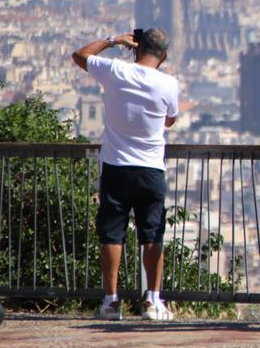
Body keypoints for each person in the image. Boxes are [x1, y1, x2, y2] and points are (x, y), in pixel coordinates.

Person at [71, 29, 179, 321]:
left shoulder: (116, 70)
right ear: (164, 56)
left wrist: (112, 40)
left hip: (116, 166)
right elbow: (169, 119)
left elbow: (80, 55)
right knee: (153, 235)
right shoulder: (169, 83)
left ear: (136, 47)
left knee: (111, 235)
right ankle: (153, 301)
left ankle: (110, 301)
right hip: (151, 168)